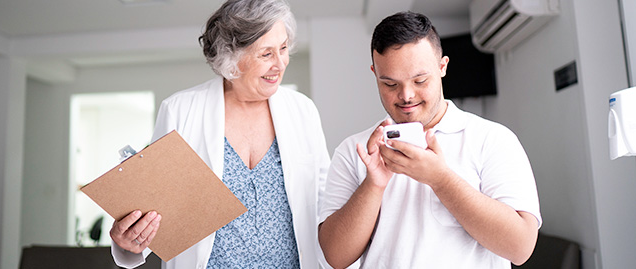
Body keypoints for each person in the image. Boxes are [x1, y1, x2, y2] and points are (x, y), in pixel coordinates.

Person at [109, 0, 330, 268]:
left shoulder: (302, 111)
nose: (281, 63)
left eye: (283, 49)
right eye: (266, 54)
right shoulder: (180, 110)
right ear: (231, 57)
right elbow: (156, 213)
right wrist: (130, 244)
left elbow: (325, 204)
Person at [318, 11, 542, 268]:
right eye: (390, 84)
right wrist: (373, 185)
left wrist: (440, 179)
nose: (406, 95)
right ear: (375, 74)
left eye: (420, 80)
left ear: (442, 67)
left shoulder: (492, 139)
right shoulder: (355, 150)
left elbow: (520, 248)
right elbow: (335, 257)